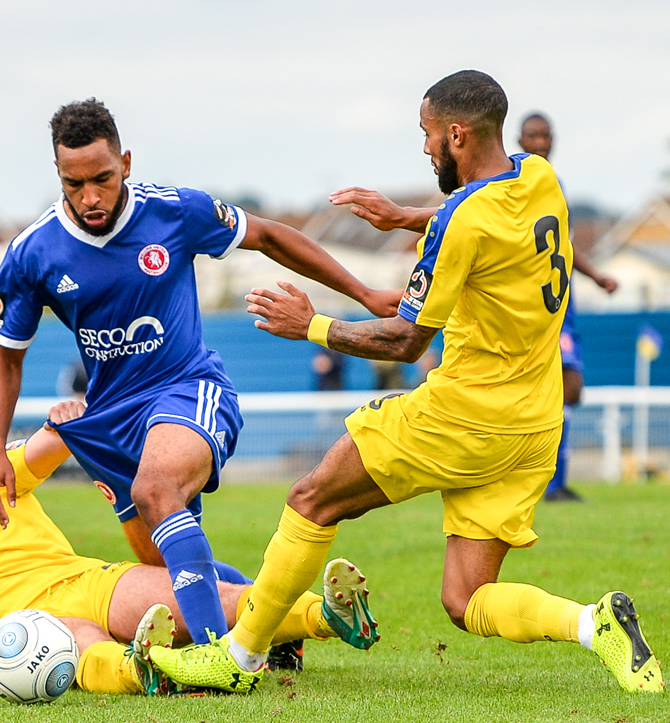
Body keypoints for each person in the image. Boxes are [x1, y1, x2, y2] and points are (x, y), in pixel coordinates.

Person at [146, 70, 663, 694]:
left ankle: (239, 657)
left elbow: (405, 340)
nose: (424, 148)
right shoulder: (539, 177)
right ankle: (593, 623)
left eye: (427, 134)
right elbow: (477, 220)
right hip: (534, 424)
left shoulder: (459, 222)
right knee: (466, 598)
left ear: (456, 135)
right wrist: (403, 219)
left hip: (463, 415)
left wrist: (312, 325)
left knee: (312, 498)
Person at [0, 98, 402, 651]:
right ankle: (288, 625)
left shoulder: (174, 212)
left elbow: (269, 236)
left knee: (155, 490)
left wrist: (364, 294)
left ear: (125, 163)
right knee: (167, 566)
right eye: (73, 184)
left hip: (187, 389)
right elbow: (7, 358)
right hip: (111, 418)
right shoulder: (33, 252)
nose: (90, 197)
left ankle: (215, 657)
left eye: (102, 179)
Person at [0, 403, 364, 696]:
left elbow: (51, 445)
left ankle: (329, 616)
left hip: (85, 582)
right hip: (28, 635)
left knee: (206, 596)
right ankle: (144, 670)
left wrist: (64, 418)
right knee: (74, 641)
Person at [517, 112, 619, 502]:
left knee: (566, 392)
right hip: (540, 304)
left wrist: (595, 276)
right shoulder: (517, 182)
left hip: (564, 301)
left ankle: (552, 481)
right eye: (533, 136)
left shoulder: (552, 183)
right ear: (520, 140)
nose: (541, 142)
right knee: (563, 385)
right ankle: (544, 481)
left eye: (546, 135)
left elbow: (562, 243)